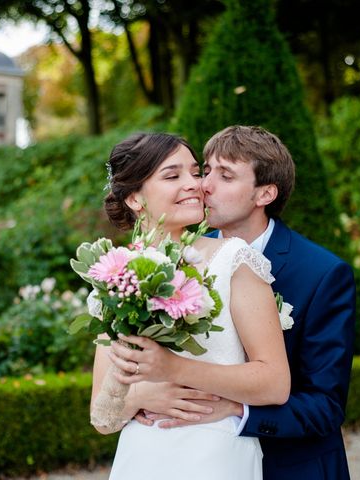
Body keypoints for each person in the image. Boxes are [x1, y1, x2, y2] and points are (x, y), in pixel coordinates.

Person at [127, 126, 357, 480]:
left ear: (264, 193)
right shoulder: (179, 257)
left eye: (226, 175)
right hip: (195, 459)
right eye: (206, 170)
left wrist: (237, 409)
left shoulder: (323, 274)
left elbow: (326, 406)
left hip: (290, 466)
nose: (204, 184)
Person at [92, 132, 291, 480]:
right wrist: (141, 394)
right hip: (141, 457)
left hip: (215, 455)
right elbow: (102, 418)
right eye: (173, 176)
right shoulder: (115, 280)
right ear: (136, 198)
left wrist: (173, 369)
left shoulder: (234, 259)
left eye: (195, 172)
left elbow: (275, 383)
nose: (196, 184)